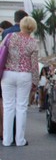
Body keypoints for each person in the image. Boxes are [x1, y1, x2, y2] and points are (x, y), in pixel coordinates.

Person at [1, 16, 39, 147]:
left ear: (21, 25)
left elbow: (2, 53)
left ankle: (7, 140)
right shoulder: (34, 42)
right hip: (24, 75)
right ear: (33, 28)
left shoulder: (10, 36)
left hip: (8, 73)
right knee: (21, 107)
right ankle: (20, 139)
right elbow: (34, 65)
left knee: (8, 106)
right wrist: (35, 82)